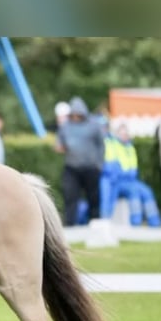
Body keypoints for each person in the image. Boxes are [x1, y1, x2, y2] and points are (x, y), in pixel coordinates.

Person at [55, 97, 105, 226]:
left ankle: (95, 223)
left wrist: (99, 164)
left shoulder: (93, 125)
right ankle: (70, 224)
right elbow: (59, 142)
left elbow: (101, 145)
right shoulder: (65, 126)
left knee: (93, 197)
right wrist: (60, 147)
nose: (76, 117)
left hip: (91, 168)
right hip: (72, 168)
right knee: (70, 197)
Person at [100, 124, 161, 227]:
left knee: (147, 191)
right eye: (122, 133)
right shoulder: (113, 145)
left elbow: (133, 167)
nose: (125, 135)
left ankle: (154, 222)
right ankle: (135, 223)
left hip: (131, 180)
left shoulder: (130, 148)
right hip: (119, 180)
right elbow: (112, 165)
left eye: (126, 133)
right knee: (134, 192)